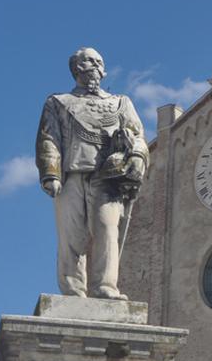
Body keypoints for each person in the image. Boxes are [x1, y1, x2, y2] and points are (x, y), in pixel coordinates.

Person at [35, 47, 148, 300]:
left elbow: (139, 135)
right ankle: (74, 291)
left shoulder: (121, 103)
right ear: (76, 68)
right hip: (71, 175)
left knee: (108, 229)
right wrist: (50, 173)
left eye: (99, 61)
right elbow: (48, 139)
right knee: (72, 235)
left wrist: (138, 157)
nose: (95, 65)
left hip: (108, 177)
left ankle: (105, 286)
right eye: (89, 61)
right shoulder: (58, 102)